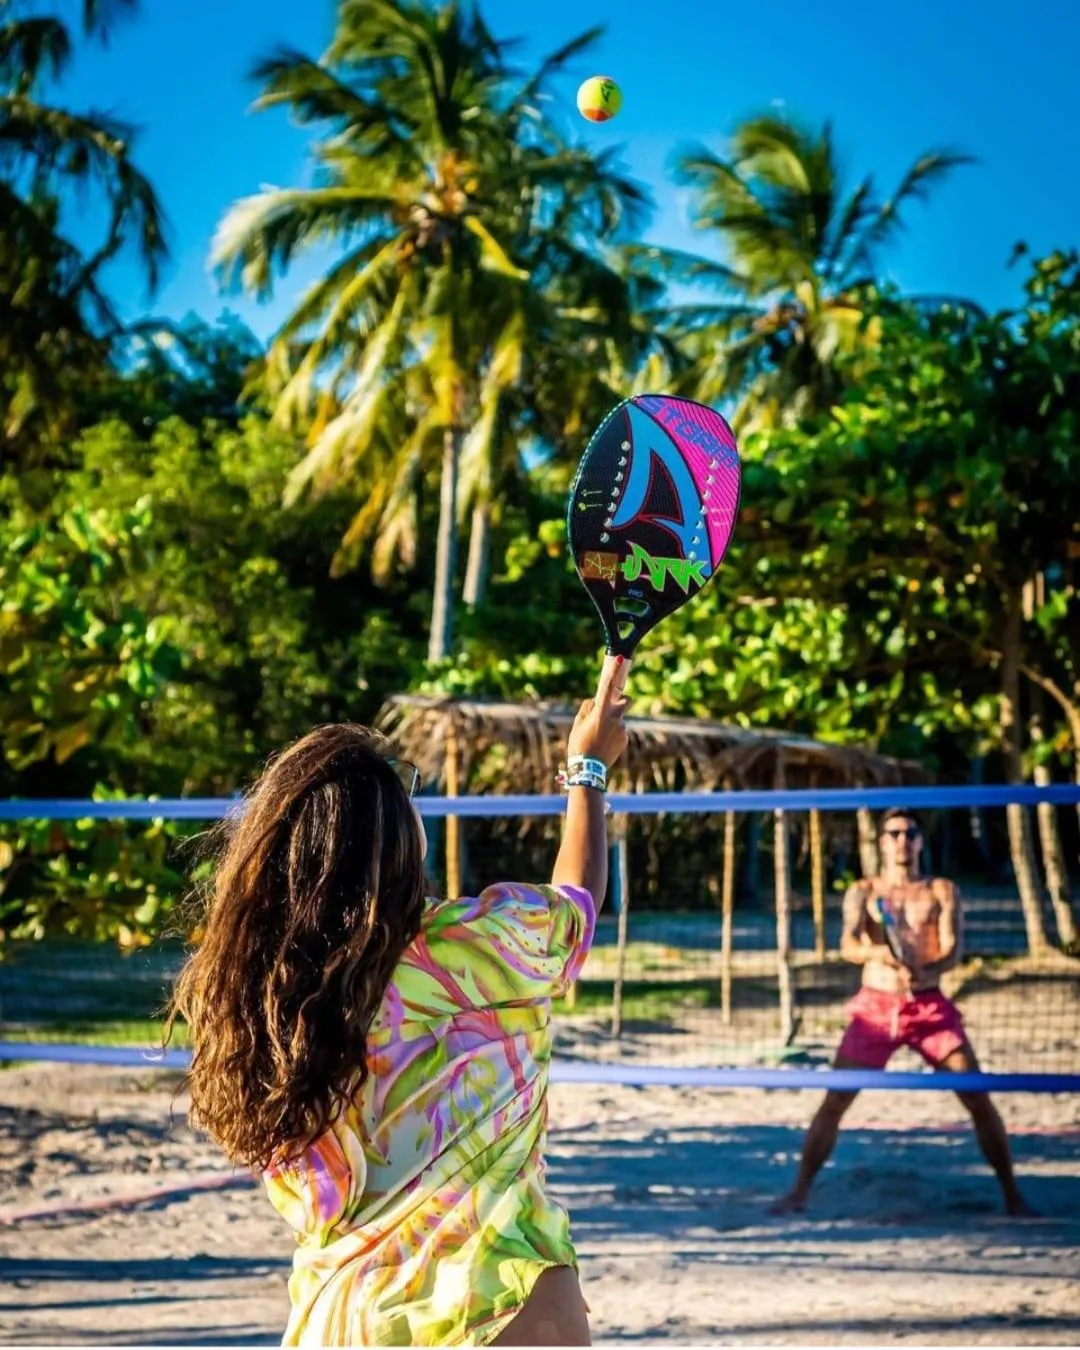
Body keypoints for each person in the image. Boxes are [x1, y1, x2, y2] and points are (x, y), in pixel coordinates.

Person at [169, 661, 630, 1346]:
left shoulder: (254, 1001)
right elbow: (578, 907)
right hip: (493, 1299)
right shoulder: (466, 952)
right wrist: (586, 769)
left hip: (339, 1319)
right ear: (387, 841)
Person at [772, 807, 1032, 1217]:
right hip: (876, 1006)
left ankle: (1013, 1196)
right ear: (881, 841)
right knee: (836, 1098)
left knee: (977, 1096)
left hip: (929, 1006)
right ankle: (799, 1192)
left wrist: (926, 969)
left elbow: (953, 948)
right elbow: (848, 944)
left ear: (919, 841)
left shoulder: (941, 889)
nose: (901, 840)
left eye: (909, 832)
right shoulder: (865, 890)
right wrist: (879, 953)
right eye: (893, 833)